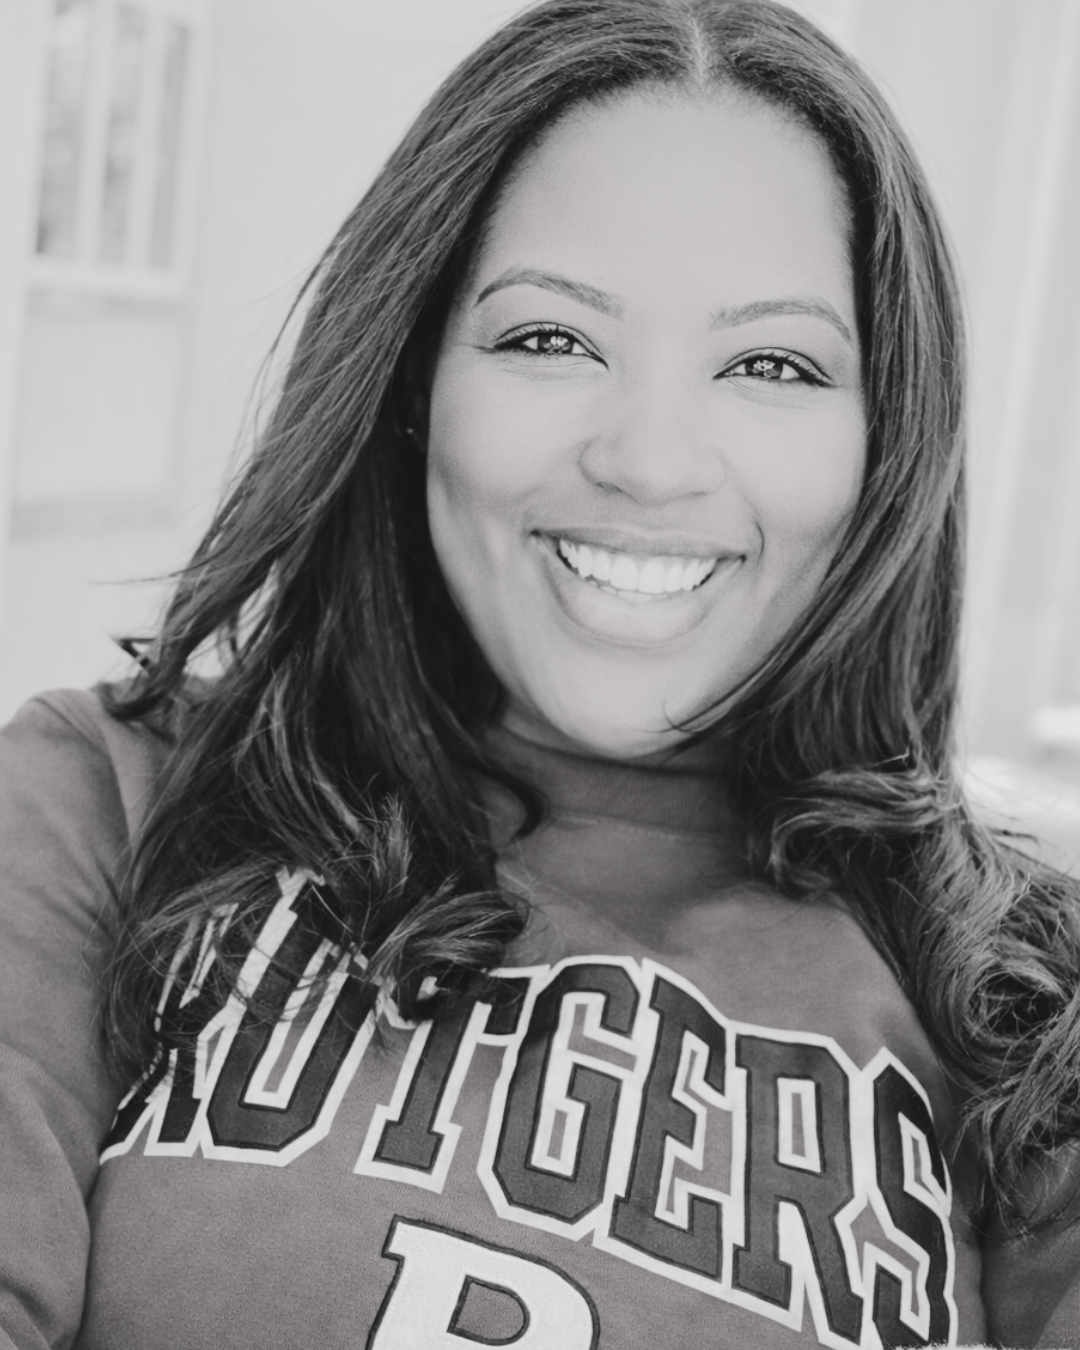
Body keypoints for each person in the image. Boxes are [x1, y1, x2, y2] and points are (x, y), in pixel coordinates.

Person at [2, 0, 1079, 1345]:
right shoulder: (100, 806)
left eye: (771, 363)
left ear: (887, 442)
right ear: (415, 382)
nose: (650, 461)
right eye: (550, 339)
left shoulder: (1028, 1008)